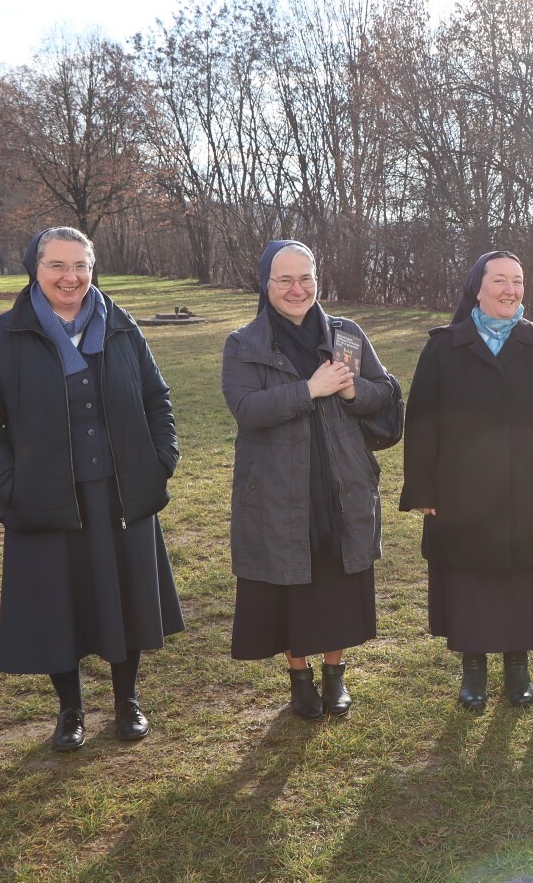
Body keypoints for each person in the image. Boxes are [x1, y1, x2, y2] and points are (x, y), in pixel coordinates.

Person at [0, 227, 183, 751]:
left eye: (81, 265)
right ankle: (70, 710)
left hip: (120, 493)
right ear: (34, 269)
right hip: (45, 496)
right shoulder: (2, 334)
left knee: (125, 597)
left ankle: (127, 700)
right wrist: (8, 486)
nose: (71, 277)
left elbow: (157, 399)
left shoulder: (121, 325)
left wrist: (160, 462)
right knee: (59, 605)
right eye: (57, 265)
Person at [400, 251, 533, 710]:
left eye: (517, 281)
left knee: (522, 580)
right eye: (500, 280)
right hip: (461, 490)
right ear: (477, 289)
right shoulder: (444, 347)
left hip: (532, 489)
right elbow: (421, 421)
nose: (510, 290)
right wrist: (423, 488)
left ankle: (518, 669)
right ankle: (473, 671)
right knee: (471, 582)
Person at [222, 241, 396, 719]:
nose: (297, 289)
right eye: (285, 280)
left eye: (306, 278)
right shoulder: (244, 344)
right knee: (288, 586)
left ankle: (334, 676)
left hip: (341, 483)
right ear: (266, 284)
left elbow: (384, 391)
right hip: (277, 489)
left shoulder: (346, 335)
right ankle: (299, 678)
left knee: (337, 582)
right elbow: (246, 409)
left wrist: (354, 390)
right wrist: (309, 390)